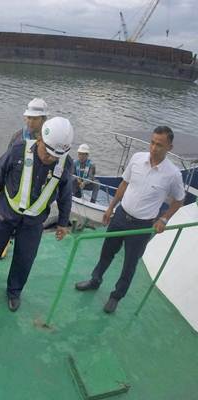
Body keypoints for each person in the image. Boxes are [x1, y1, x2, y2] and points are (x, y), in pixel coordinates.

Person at [75, 126, 185, 313]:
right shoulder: (137, 159)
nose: (153, 148)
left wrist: (164, 219)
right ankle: (95, 280)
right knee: (106, 252)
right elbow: (124, 184)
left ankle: (116, 296)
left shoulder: (173, 174)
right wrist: (111, 207)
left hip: (142, 226)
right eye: (152, 142)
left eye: (159, 145)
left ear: (170, 147)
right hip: (120, 216)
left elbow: (179, 200)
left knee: (130, 264)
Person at [0, 117, 74, 312]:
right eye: (47, 152)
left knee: (24, 258)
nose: (49, 158)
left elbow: (66, 195)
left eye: (55, 156)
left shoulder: (66, 165)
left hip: (33, 222)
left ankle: (14, 291)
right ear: (40, 139)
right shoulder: (18, 150)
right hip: (5, 213)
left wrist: (62, 223)